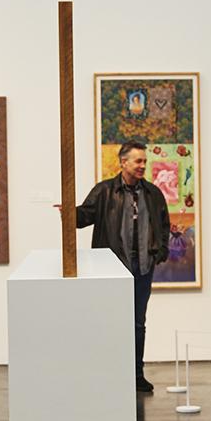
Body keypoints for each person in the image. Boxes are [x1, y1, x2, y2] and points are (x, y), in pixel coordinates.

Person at [76, 141, 170, 394]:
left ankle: (136, 374)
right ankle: (108, 374)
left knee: (137, 324)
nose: (142, 166)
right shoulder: (105, 191)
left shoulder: (152, 194)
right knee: (110, 323)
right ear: (123, 162)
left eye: (144, 161)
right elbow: (84, 217)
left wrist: (159, 252)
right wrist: (68, 213)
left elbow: (164, 224)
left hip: (142, 270)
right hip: (111, 271)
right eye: (138, 161)